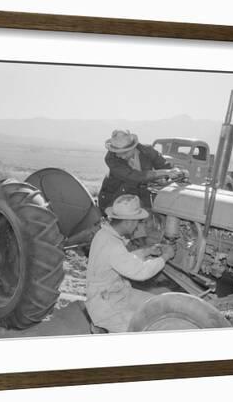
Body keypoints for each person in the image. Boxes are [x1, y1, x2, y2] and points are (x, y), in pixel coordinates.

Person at [85, 194, 176, 333]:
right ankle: (102, 327)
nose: (138, 226)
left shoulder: (104, 234)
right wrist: (165, 257)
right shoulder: (112, 245)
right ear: (128, 222)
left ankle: (101, 328)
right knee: (144, 328)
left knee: (157, 305)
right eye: (137, 222)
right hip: (105, 303)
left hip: (114, 293)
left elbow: (122, 260)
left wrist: (146, 252)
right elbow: (140, 272)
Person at [98, 129, 182, 211]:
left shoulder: (147, 151)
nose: (122, 156)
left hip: (142, 195)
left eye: (125, 152)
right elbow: (134, 176)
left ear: (133, 147)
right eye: (118, 153)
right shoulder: (111, 159)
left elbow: (165, 166)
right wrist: (164, 173)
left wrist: (176, 172)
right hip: (116, 198)